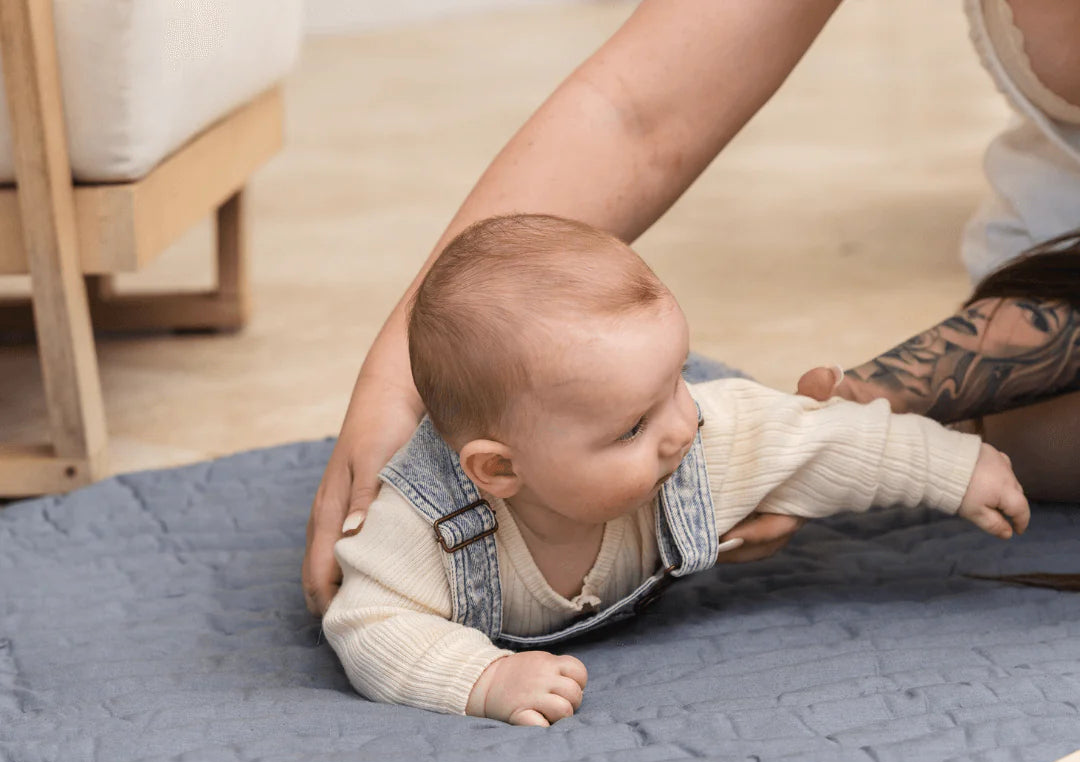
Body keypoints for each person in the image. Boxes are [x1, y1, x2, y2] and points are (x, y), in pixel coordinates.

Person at [303, 0, 1080, 616]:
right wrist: (396, 373)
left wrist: (881, 429)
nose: (687, 428)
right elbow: (636, 110)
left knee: (1028, 451)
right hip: (1048, 259)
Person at [322, 214, 1029, 725]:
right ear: (500, 470)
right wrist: (485, 676)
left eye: (678, 380)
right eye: (632, 426)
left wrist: (951, 468)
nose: (678, 431)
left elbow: (820, 441)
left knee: (758, 420)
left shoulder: (691, 436)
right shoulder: (426, 527)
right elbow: (370, 624)